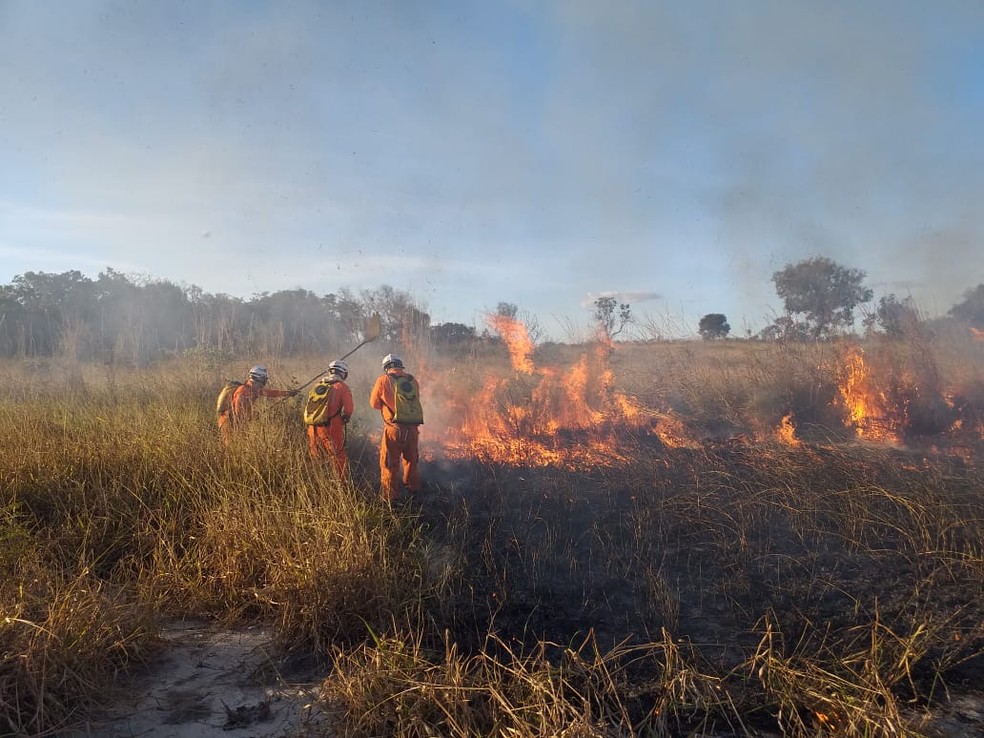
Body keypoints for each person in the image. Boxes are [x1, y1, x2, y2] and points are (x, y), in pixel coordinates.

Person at [369, 353, 423, 501]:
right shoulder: (412, 380)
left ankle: (391, 499)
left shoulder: (383, 379)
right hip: (412, 430)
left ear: (386, 367)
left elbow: (374, 403)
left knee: (389, 464)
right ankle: (414, 493)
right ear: (400, 365)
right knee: (411, 461)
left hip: (394, 429)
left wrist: (387, 405)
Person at [218, 364, 297, 445]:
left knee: (244, 445)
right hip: (228, 422)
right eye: (263, 380)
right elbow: (239, 414)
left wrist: (288, 393)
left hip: (239, 423)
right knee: (232, 447)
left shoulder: (254, 389)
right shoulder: (242, 393)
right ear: (257, 379)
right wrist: (254, 415)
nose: (264, 383)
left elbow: (271, 393)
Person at [303, 360, 354, 477]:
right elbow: (348, 409)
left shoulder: (318, 385)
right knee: (337, 458)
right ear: (343, 373)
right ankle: (341, 486)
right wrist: (346, 418)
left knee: (316, 458)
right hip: (331, 428)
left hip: (312, 428)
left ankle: (317, 484)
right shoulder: (342, 387)